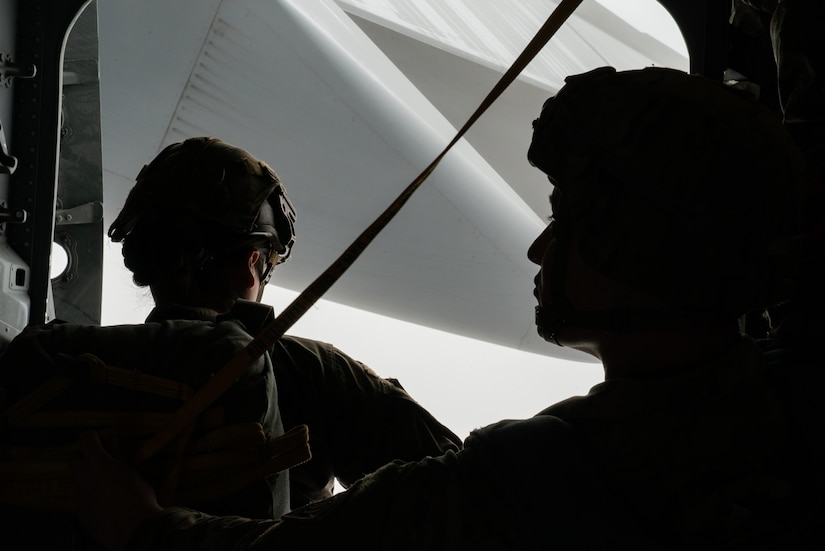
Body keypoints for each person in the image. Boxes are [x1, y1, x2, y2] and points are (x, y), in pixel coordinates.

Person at [73, 66, 818, 550]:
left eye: (566, 220)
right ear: (252, 259)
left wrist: (139, 527)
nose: (538, 250)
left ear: (633, 253)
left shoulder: (537, 476)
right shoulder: (781, 407)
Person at [0, 137, 460, 547]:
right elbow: (462, 493)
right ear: (250, 264)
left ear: (145, 261)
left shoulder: (62, 363)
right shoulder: (307, 370)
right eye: (267, 264)